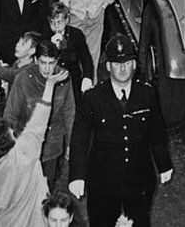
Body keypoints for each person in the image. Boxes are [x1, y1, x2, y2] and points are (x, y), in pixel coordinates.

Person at [68, 34, 173, 227]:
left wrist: (163, 164)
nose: (122, 68)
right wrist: (77, 175)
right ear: (108, 66)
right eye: (116, 63)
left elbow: (157, 133)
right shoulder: (93, 97)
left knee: (140, 223)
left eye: (127, 62)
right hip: (103, 182)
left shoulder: (147, 93)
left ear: (134, 64)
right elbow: (79, 138)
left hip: (139, 180)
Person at [0, 67, 70, 227]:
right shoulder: (23, 157)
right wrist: (49, 85)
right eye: (10, 133)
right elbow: (39, 120)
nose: (13, 131)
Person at [3, 39, 75, 190]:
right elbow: (9, 116)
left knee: (46, 191)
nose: (47, 69)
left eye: (51, 63)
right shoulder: (23, 79)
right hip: (25, 148)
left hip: (52, 147)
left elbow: (69, 114)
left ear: (57, 61)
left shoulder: (64, 79)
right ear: (36, 60)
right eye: (43, 63)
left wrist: (70, 144)